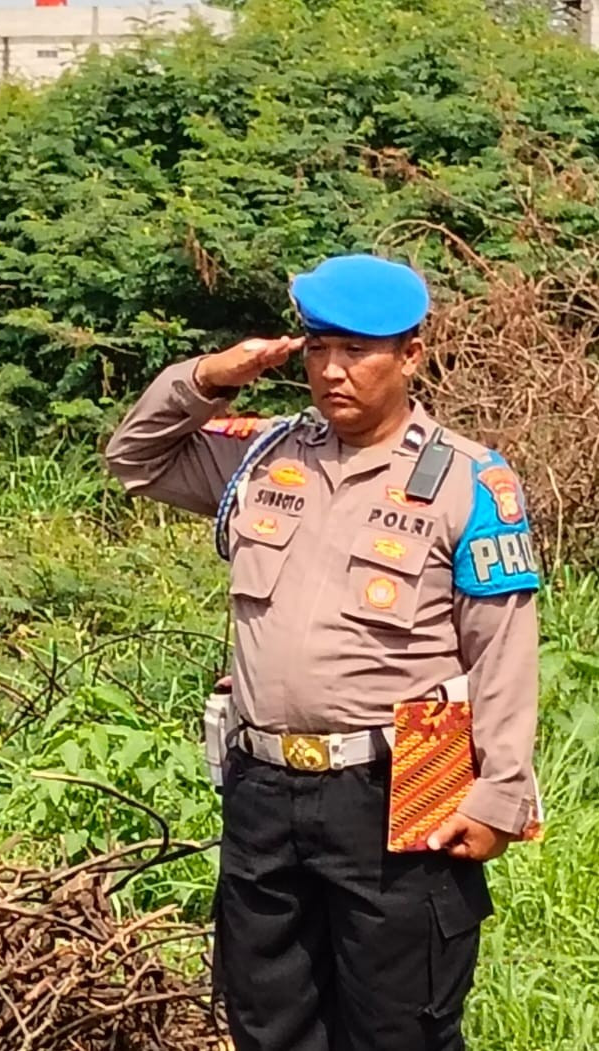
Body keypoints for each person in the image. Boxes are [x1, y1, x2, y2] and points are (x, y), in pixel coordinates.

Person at [105, 254, 540, 1051]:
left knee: (397, 1028)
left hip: (402, 787)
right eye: (317, 349)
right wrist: (207, 375)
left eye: (357, 351)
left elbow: (503, 649)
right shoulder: (265, 456)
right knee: (269, 1023)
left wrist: (500, 795)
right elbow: (134, 457)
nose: (333, 371)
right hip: (264, 787)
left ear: (410, 355)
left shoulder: (468, 480)